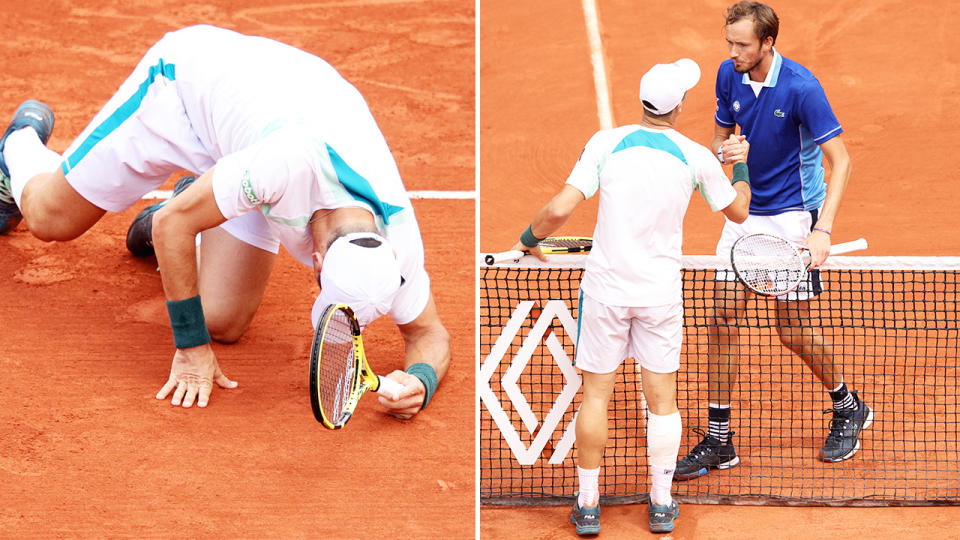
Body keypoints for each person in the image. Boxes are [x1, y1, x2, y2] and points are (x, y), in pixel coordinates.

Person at [0, 25, 449, 416]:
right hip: (182, 94)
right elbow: (171, 227)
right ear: (316, 262)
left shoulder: (400, 241)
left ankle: (199, 198)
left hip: (267, 124)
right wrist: (192, 348)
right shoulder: (285, 163)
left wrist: (421, 381)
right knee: (49, 218)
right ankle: (17, 145)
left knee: (223, 320)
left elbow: (428, 333)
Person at [509, 59, 751, 535]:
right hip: (659, 295)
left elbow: (560, 207)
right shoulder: (694, 155)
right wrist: (737, 160)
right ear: (679, 106)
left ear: (643, 102)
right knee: (662, 400)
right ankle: (661, 504)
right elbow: (740, 211)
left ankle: (588, 505)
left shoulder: (605, 143)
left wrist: (526, 241)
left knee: (595, 395)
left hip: (605, 291)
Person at [674, 1, 870, 481]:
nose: (733, 52)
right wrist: (726, 151)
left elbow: (840, 161)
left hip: (793, 219)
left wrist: (821, 230)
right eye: (730, 42)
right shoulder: (728, 74)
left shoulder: (802, 88)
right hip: (745, 214)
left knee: (791, 330)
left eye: (742, 44)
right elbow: (722, 139)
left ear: (768, 43)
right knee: (721, 320)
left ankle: (848, 405)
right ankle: (720, 439)